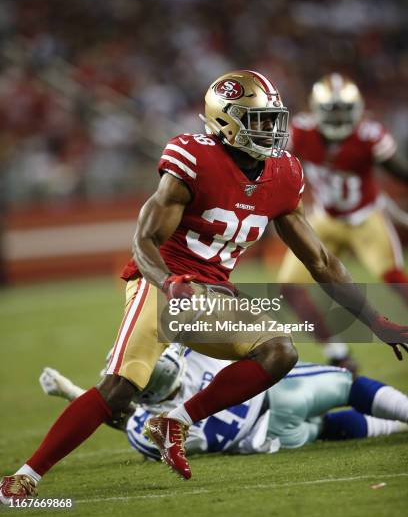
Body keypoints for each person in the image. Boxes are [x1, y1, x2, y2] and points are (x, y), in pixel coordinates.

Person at [1, 70, 407, 503]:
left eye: (273, 119)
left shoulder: (284, 173)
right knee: (120, 389)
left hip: (212, 292)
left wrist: (376, 321)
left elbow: (321, 260)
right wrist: (168, 283)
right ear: (226, 122)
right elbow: (144, 241)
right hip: (161, 281)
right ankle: (23, 478)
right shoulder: (193, 157)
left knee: (280, 350)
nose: (270, 130)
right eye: (259, 120)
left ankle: (175, 420)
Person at [39, 348, 408, 456]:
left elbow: (124, 418)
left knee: (325, 430)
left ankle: (397, 426)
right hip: (278, 394)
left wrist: (72, 393)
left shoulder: (145, 424)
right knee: (348, 385)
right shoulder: (189, 350)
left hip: (267, 439)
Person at [278, 73, 408, 368]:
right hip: (325, 219)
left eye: (343, 110)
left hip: (365, 218)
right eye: (331, 111)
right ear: (316, 110)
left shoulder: (369, 134)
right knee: (289, 287)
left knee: (395, 279)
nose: (337, 118)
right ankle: (337, 353)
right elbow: (278, 167)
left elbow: (399, 171)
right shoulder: (300, 131)